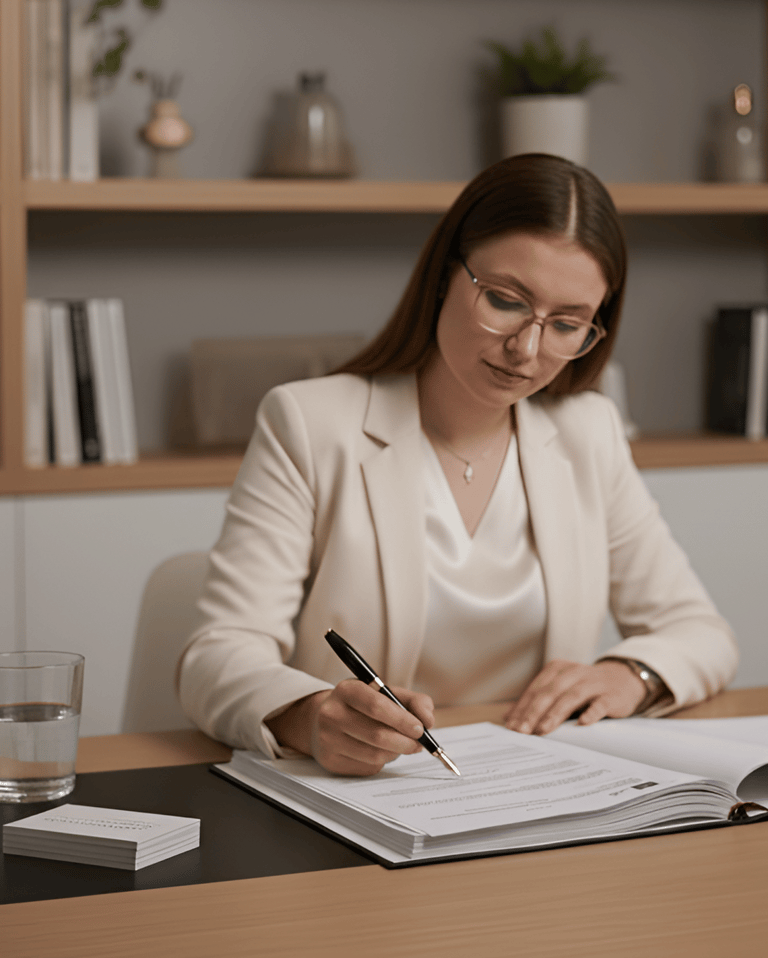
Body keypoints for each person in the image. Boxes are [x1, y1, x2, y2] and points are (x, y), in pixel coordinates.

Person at [177, 154, 737, 777]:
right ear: (445, 274)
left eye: (568, 325)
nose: (526, 350)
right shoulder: (310, 424)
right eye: (504, 300)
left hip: (535, 796)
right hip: (364, 796)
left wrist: (628, 673)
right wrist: (308, 717)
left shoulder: (588, 432)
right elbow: (216, 656)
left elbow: (701, 632)